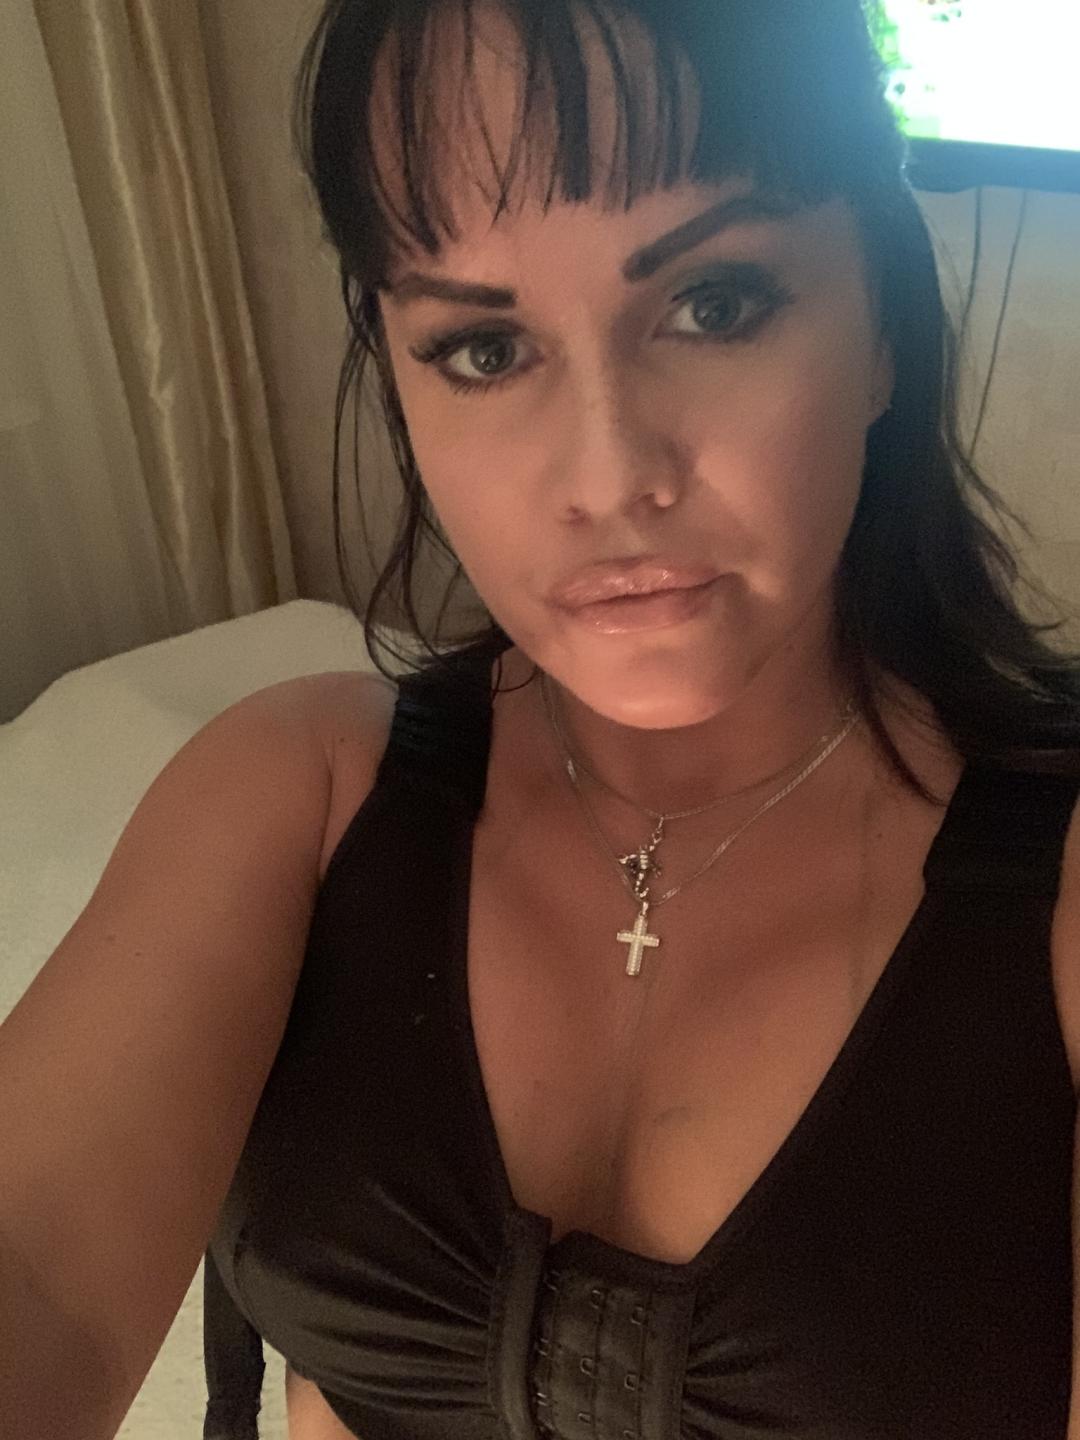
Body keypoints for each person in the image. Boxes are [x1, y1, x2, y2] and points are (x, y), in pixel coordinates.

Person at [3, 2, 1080, 1439]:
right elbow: (43, 1278)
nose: (607, 476)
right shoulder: (298, 792)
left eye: (715, 305)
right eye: (483, 349)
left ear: (882, 325)